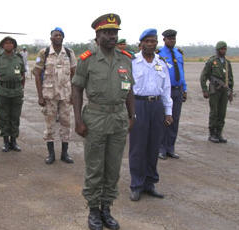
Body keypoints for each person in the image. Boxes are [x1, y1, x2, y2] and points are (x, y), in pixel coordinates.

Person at [72, 13, 136, 230]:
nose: (112, 36)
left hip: (118, 119)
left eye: (114, 33)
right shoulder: (87, 59)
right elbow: (77, 89)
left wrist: (131, 115)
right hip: (95, 119)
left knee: (113, 167)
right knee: (94, 167)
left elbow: (129, 90)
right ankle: (93, 210)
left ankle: (106, 209)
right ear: (97, 35)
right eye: (107, 32)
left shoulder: (125, 59)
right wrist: (78, 120)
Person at [128, 28, 173, 202]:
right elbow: (127, 88)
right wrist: (128, 112)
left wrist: (168, 111)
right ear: (141, 44)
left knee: (153, 146)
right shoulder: (133, 62)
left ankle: (150, 184)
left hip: (156, 106)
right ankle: (136, 185)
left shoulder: (161, 62)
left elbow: (166, 88)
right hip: (138, 105)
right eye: (147, 41)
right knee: (138, 147)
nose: (150, 44)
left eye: (153, 41)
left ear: (156, 43)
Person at [33, 27, 76, 165]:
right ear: (50, 38)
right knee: (49, 124)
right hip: (49, 96)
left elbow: (74, 74)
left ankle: (65, 153)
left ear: (63, 38)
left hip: (65, 95)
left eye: (60, 35)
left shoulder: (69, 53)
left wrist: (74, 94)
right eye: (55, 35)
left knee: (66, 123)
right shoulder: (44, 53)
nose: (58, 37)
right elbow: (37, 75)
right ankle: (50, 154)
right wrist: (40, 96)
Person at [157, 29, 186, 159]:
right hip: (165, 91)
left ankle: (170, 148)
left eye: (174, 39)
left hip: (178, 90)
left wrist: (184, 89)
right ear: (164, 40)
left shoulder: (178, 54)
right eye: (169, 39)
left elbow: (182, 72)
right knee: (164, 119)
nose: (172, 41)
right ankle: (161, 148)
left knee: (175, 119)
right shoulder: (159, 54)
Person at [0, 36, 25, 152]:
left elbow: (22, 75)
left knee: (15, 117)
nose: (8, 45)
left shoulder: (19, 58)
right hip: (3, 91)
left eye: (11, 43)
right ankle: (5, 142)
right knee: (3, 117)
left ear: (14, 45)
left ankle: (14, 141)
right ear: (2, 45)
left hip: (17, 91)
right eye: (6, 43)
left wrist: (22, 89)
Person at [200, 41, 234, 143]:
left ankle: (219, 133)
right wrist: (205, 90)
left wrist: (230, 91)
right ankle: (212, 134)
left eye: (225, 49)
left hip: (224, 91)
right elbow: (203, 76)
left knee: (222, 113)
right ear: (217, 50)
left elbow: (230, 78)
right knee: (214, 112)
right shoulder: (212, 61)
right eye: (221, 49)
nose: (223, 51)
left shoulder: (227, 63)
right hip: (214, 90)